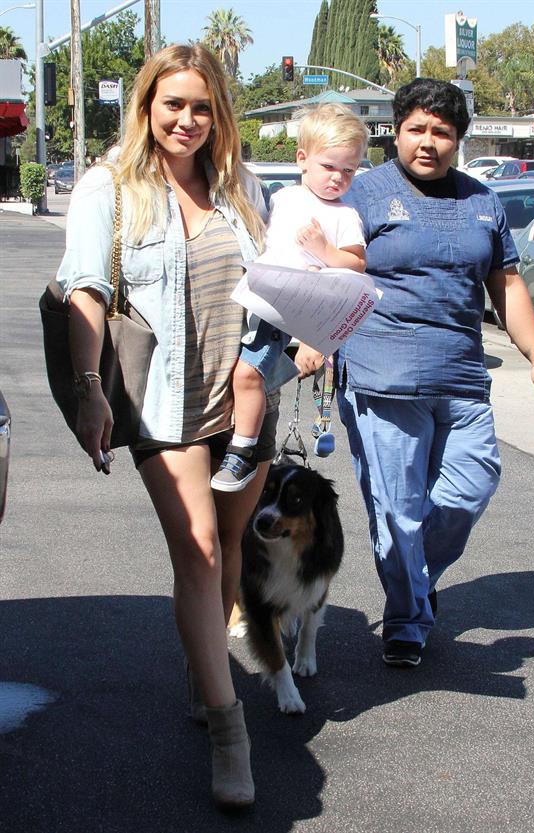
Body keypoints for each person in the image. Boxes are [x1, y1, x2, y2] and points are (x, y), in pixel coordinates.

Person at [55, 44, 275, 808]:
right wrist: (91, 387)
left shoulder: (241, 184)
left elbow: (273, 281)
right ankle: (227, 725)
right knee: (201, 546)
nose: (187, 120)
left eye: (202, 106)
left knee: (232, 547)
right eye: (173, 103)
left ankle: (202, 661)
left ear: (219, 113)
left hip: (244, 394)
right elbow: (86, 291)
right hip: (163, 398)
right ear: (147, 103)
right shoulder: (110, 188)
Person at [296, 78, 534, 668]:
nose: (428, 142)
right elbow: (314, 266)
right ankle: (408, 619)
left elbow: (507, 283)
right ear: (397, 132)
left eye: (442, 132)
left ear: (459, 138)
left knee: (471, 486)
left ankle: (413, 576)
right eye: (416, 128)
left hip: (463, 377)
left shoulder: (483, 201)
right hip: (380, 377)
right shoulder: (362, 194)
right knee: (396, 506)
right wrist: (311, 338)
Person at [210, 104, 369, 492]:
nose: (338, 178)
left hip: (285, 310)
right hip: (251, 296)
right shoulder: (282, 198)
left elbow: (357, 263)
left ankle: (243, 450)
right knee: (229, 373)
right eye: (329, 166)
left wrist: (325, 252)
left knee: (248, 374)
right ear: (302, 159)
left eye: (348, 171)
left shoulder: (344, 214)